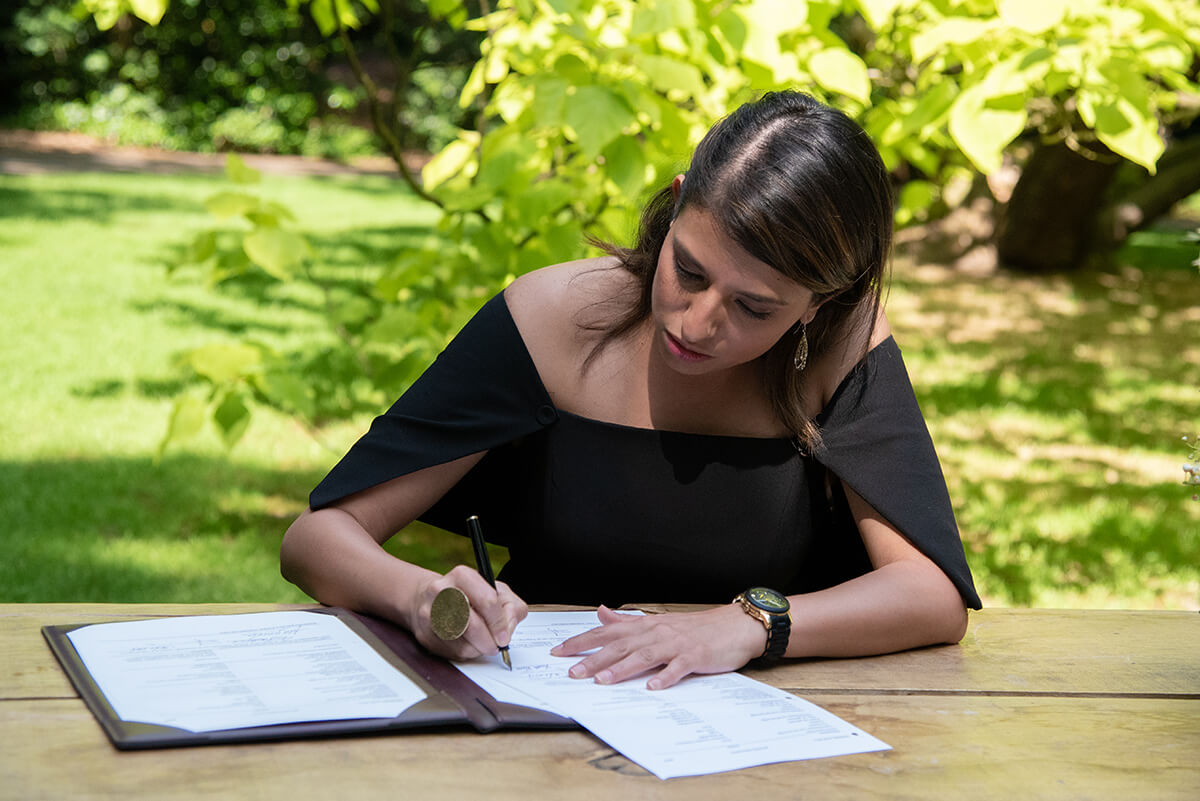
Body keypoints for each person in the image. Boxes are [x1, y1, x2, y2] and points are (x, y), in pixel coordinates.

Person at [281, 90, 981, 691]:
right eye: (690, 271)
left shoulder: (843, 345)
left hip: (761, 731)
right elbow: (316, 537)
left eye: (754, 308)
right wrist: (421, 598)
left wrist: (745, 626)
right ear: (675, 206)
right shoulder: (554, 316)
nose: (697, 323)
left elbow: (931, 594)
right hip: (546, 701)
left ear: (818, 305)